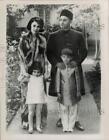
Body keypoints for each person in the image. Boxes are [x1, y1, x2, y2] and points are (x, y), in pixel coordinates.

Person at [46, 9, 87, 131]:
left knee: (75, 94)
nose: (62, 22)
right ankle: (61, 117)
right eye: (60, 19)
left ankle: (76, 120)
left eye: (65, 20)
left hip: (74, 70)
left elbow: (84, 51)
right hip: (60, 70)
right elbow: (49, 53)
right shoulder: (53, 36)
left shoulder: (78, 35)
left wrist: (77, 62)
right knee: (61, 94)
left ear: (70, 21)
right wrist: (56, 63)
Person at [18, 17, 47, 133]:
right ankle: (26, 121)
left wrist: (46, 71)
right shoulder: (24, 38)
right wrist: (24, 71)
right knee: (26, 97)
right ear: (30, 25)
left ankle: (38, 122)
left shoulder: (42, 39)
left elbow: (44, 56)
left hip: (39, 72)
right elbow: (20, 57)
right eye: (34, 25)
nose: (36, 28)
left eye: (38, 26)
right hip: (26, 71)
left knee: (39, 97)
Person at [55, 48, 81, 132]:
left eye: (68, 57)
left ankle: (71, 127)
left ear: (71, 58)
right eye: (64, 57)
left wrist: (78, 91)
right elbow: (57, 79)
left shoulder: (74, 66)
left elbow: (77, 79)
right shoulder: (59, 67)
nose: (66, 59)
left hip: (73, 91)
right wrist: (58, 91)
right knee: (64, 109)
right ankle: (65, 126)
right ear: (61, 57)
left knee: (73, 109)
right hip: (63, 92)